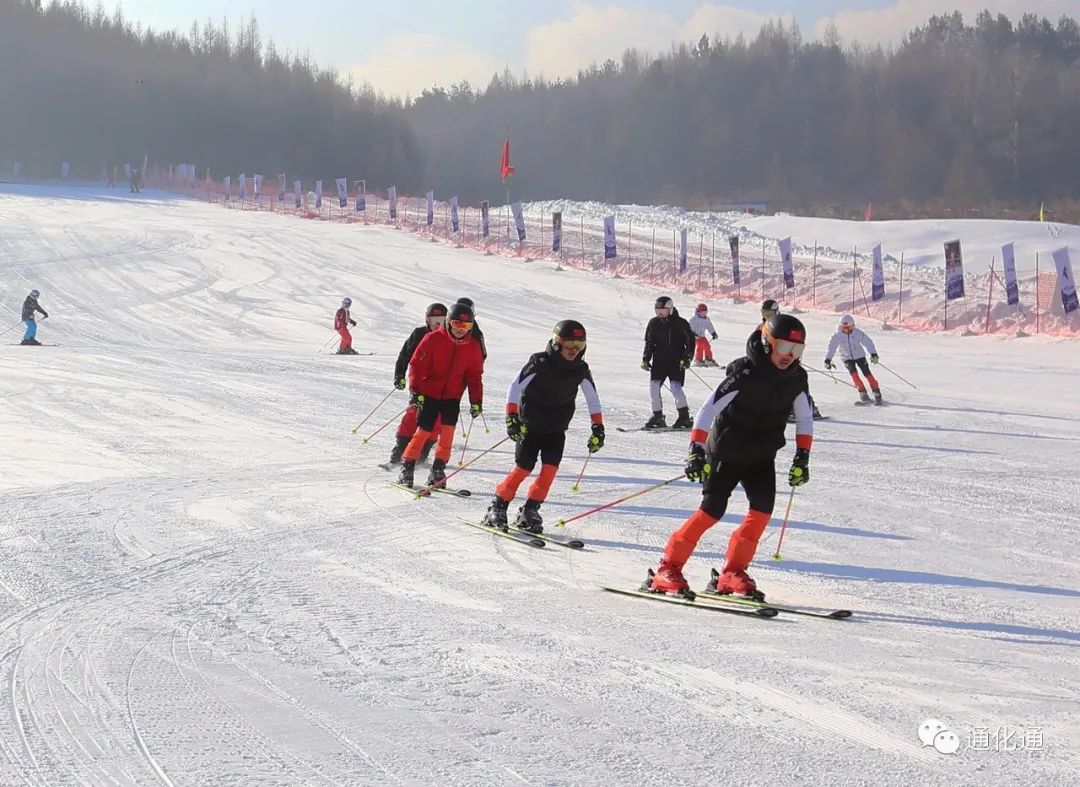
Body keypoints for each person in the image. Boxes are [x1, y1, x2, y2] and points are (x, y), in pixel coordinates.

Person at [647, 314, 814, 600]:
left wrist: (802, 457)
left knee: (760, 513)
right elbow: (706, 412)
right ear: (766, 343)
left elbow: (805, 418)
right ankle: (667, 569)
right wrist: (696, 450)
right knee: (711, 511)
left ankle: (731, 573)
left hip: (762, 455)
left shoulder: (796, 379)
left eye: (797, 351)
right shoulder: (744, 372)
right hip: (726, 452)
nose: (790, 356)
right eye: (784, 348)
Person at [481, 320, 604, 533]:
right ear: (557, 343)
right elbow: (515, 387)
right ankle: (498, 505)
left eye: (580, 346)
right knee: (523, 467)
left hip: (556, 429)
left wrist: (598, 427)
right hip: (530, 426)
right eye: (569, 345)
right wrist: (512, 417)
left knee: (549, 471)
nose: (574, 351)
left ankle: (530, 509)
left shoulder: (581, 369)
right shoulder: (539, 361)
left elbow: (593, 398)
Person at [398, 302, 484, 489]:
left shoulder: (473, 346)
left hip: (452, 396)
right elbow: (416, 365)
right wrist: (416, 391)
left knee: (447, 433)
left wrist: (476, 400)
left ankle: (438, 468)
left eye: (466, 326)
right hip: (429, 393)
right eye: (457, 324)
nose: (461, 330)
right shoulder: (432, 339)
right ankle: (408, 465)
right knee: (423, 431)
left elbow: (474, 375)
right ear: (448, 322)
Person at [387, 303, 448, 465]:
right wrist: (399, 375)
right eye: (434, 319)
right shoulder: (419, 334)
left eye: (442, 319)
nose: (438, 323)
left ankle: (422, 452)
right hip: (420, 382)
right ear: (427, 319)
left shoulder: (450, 337)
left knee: (437, 420)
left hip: (442, 386)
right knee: (413, 415)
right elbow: (404, 355)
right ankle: (399, 451)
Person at [641, 296, 695, 429]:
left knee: (675, 388)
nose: (659, 312)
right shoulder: (653, 323)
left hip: (676, 362)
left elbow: (691, 342)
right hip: (659, 362)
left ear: (670, 309)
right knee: (654, 387)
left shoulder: (681, 323)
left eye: (663, 309)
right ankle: (657, 416)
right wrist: (646, 359)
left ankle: (684, 417)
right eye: (657, 309)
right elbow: (649, 343)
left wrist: (687, 358)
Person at [824, 315, 882, 404]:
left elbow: (868, 342)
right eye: (844, 328)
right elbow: (831, 348)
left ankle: (876, 391)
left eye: (849, 327)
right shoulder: (837, 336)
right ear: (840, 327)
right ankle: (862, 392)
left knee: (867, 373)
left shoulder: (857, 333)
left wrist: (873, 354)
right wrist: (828, 359)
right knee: (854, 375)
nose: (846, 330)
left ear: (853, 326)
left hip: (859, 355)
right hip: (847, 358)